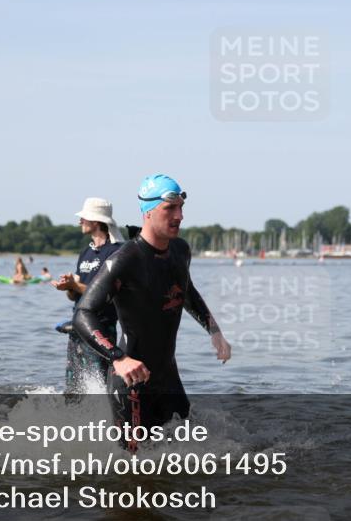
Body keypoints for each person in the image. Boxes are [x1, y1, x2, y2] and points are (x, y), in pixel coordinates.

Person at [72, 174, 232, 451]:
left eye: (181, 207)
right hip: (131, 381)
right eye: (170, 208)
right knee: (132, 470)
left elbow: (186, 290)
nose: (179, 216)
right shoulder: (125, 260)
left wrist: (214, 330)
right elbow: (83, 312)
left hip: (168, 376)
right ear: (147, 212)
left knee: (186, 456)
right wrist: (118, 358)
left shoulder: (180, 251)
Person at [53, 198, 126, 392]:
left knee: (100, 387)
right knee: (73, 390)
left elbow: (106, 294)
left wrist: (75, 285)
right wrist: (68, 287)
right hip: (78, 328)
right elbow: (74, 295)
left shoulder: (116, 252)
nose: (80, 222)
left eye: (83, 218)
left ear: (96, 221)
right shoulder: (86, 252)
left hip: (100, 329)